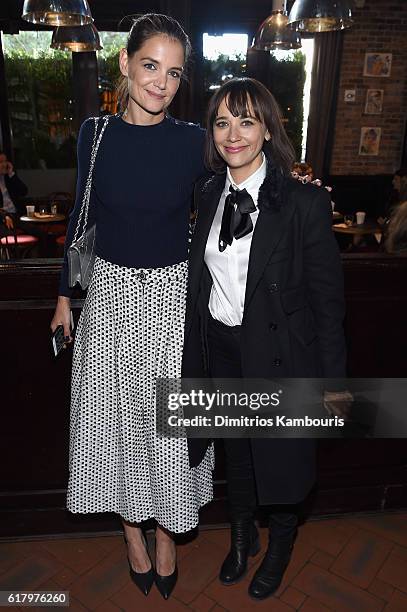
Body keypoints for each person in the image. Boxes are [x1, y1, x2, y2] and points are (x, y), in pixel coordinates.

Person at [50, 13, 213, 600]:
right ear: (124, 63)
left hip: (172, 302)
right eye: (150, 66)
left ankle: (168, 533)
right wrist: (65, 295)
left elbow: (231, 198)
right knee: (114, 428)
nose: (160, 83)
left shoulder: (197, 141)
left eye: (173, 73)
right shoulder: (95, 135)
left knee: (166, 428)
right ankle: (132, 535)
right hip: (109, 300)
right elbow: (82, 221)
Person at [183, 77, 349, 600]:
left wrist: (332, 388)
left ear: (267, 129)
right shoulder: (207, 193)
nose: (234, 134)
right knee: (236, 453)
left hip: (280, 354)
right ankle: (240, 539)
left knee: (279, 455)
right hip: (221, 346)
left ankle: (278, 546)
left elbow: (328, 306)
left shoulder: (301, 202)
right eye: (223, 122)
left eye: (247, 121)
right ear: (212, 133)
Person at [0, 152, 28, 238]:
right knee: (11, 237)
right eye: (1, 162)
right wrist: (4, 216)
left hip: (16, 215)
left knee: (40, 233)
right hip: (3, 218)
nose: (4, 165)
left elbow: (24, 191)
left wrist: (11, 174)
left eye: (5, 161)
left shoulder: (9, 178)